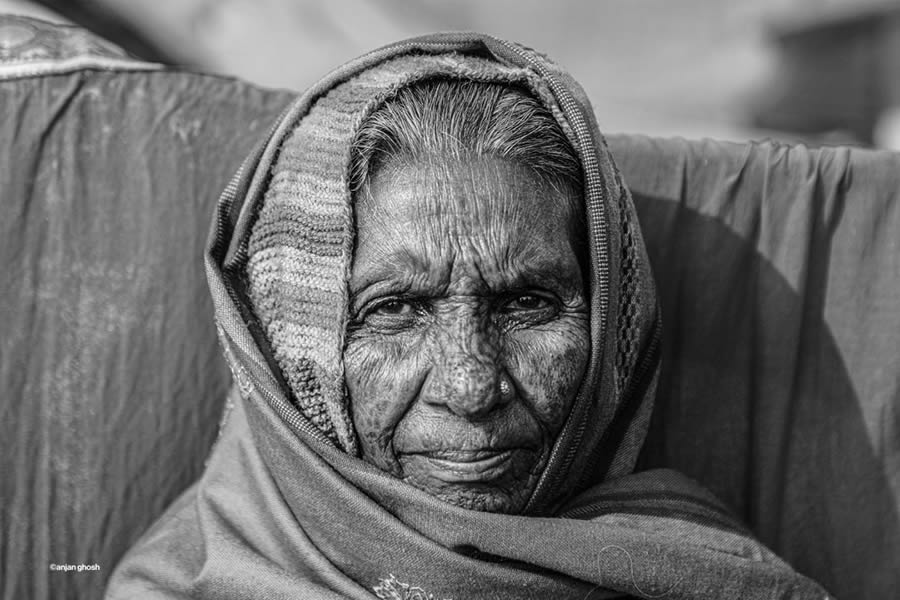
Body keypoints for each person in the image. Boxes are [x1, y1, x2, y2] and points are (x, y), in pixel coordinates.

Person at [106, 33, 831, 599]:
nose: (470, 385)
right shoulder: (179, 590)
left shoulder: (704, 575)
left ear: (615, 328)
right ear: (290, 348)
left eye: (526, 303)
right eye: (394, 310)